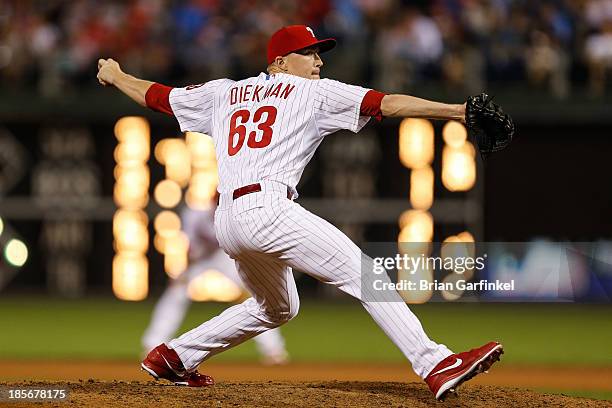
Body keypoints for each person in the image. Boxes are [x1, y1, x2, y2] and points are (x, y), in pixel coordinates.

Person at [97, 25, 503, 401]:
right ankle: (434, 362)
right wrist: (460, 110)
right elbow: (389, 104)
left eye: (317, 54)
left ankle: (174, 356)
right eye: (308, 53)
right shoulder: (313, 93)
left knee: (278, 307)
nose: (318, 62)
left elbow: (159, 97)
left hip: (229, 220)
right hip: (268, 208)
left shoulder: (223, 92)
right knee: (363, 272)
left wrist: (116, 76)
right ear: (279, 62)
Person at [141, 201, 289, 365]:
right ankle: (152, 344)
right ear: (212, 203)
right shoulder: (195, 215)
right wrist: (184, 272)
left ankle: (273, 350)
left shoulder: (236, 217)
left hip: (226, 256)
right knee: (176, 292)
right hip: (200, 256)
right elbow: (189, 246)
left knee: (258, 297)